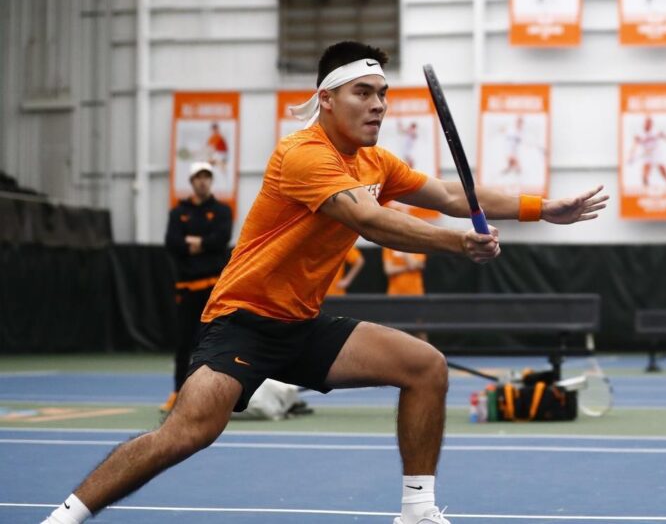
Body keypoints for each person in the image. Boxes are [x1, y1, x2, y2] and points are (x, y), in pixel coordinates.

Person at [40, 41, 608, 524]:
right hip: (241, 321)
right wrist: (458, 244)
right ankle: (64, 517)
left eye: (383, 93)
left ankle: (416, 510)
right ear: (326, 99)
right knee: (188, 431)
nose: (379, 104)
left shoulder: (376, 163)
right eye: (364, 92)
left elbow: (453, 196)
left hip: (301, 325)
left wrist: (543, 208)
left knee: (425, 367)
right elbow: (369, 221)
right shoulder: (302, 154)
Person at [161, 161, 234, 413]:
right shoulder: (178, 212)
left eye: (206, 177)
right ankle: (178, 393)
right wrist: (203, 243)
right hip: (187, 288)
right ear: (191, 182)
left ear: (210, 181)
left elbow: (221, 240)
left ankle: (214, 396)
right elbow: (172, 243)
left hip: (214, 289)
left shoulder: (222, 211)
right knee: (184, 343)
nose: (202, 181)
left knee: (215, 342)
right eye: (198, 177)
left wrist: (195, 242)